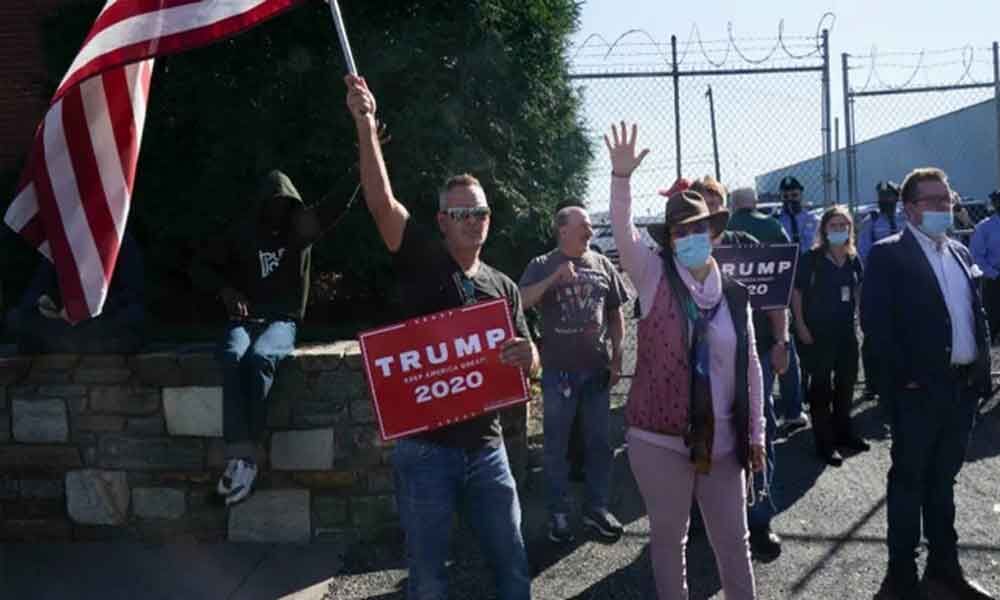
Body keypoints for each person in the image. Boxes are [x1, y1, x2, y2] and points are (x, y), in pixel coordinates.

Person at [346, 74, 537, 600]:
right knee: (428, 579)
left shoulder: (502, 285)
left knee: (513, 565)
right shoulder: (420, 260)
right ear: (442, 222)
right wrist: (365, 125)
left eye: (478, 212)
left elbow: (527, 358)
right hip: (426, 453)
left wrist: (532, 355)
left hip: (488, 449)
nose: (471, 221)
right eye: (460, 214)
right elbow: (381, 203)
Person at [607, 122, 765, 600]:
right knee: (668, 541)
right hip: (659, 438)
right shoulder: (652, 274)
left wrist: (755, 431)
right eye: (680, 231)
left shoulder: (734, 294)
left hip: (723, 438)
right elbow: (622, 229)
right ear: (670, 239)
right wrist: (620, 179)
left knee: (734, 543)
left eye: (699, 229)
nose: (690, 237)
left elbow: (751, 366)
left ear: (714, 234)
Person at [862, 167, 994, 600]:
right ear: (910, 208)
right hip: (918, 395)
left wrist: (981, 373)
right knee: (909, 483)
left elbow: (976, 314)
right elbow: (877, 328)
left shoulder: (958, 251)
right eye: (934, 201)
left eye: (948, 199)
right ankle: (901, 575)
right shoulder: (888, 255)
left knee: (943, 481)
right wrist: (905, 383)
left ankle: (944, 566)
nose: (946, 207)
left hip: (961, 392)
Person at [191, 169, 346, 505]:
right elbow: (201, 267)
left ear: (292, 204)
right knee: (232, 356)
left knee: (261, 359)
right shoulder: (243, 233)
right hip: (244, 320)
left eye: (284, 203)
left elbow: (336, 204)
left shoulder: (299, 230)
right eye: (271, 203)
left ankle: (248, 459)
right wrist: (227, 291)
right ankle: (240, 456)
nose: (277, 209)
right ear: (261, 204)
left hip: (281, 321)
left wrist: (365, 157)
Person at [668, 180, 791, 559]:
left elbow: (774, 299)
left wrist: (782, 341)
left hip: (750, 358)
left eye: (712, 207)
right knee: (696, 433)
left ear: (721, 213)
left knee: (758, 431)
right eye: (697, 211)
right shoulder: (678, 256)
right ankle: (702, 516)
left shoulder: (747, 247)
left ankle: (758, 517)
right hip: (697, 365)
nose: (704, 220)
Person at [519, 205, 630, 544]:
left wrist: (617, 357)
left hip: (595, 371)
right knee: (556, 446)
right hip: (558, 374)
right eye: (584, 225)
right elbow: (520, 302)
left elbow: (615, 314)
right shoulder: (541, 264)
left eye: (591, 226)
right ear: (562, 230)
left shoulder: (602, 264)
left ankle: (596, 508)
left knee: (599, 443)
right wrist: (554, 278)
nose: (591, 232)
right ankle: (559, 512)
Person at [792, 205, 870, 467]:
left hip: (846, 331)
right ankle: (824, 443)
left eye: (844, 226)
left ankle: (843, 433)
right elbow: (797, 294)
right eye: (834, 226)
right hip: (817, 332)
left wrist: (861, 318)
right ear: (824, 229)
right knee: (821, 386)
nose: (839, 230)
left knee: (846, 383)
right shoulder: (811, 258)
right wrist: (801, 326)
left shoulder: (852, 257)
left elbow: (858, 289)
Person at [5, 232, 145, 353]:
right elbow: (33, 294)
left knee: (133, 316)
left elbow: (132, 294)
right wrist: (44, 304)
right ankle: (78, 344)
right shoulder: (64, 241)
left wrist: (89, 310)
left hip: (101, 320)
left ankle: (70, 343)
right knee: (17, 317)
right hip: (64, 323)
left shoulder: (119, 237)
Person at [858, 181, 902, 400]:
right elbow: (863, 252)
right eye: (881, 195)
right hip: (879, 282)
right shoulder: (871, 221)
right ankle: (872, 383)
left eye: (889, 196)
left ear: (897, 197)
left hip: (905, 281)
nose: (885, 199)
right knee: (874, 334)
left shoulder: (906, 218)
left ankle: (900, 378)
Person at [970, 189, 1000, 341]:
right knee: (993, 315)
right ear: (995, 203)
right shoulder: (984, 227)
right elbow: (976, 257)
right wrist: (994, 274)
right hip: (994, 278)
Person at [776, 176, 819, 255]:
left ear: (801, 195)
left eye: (794, 195)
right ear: (780, 198)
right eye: (785, 196)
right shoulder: (776, 221)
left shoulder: (813, 219)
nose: (790, 199)